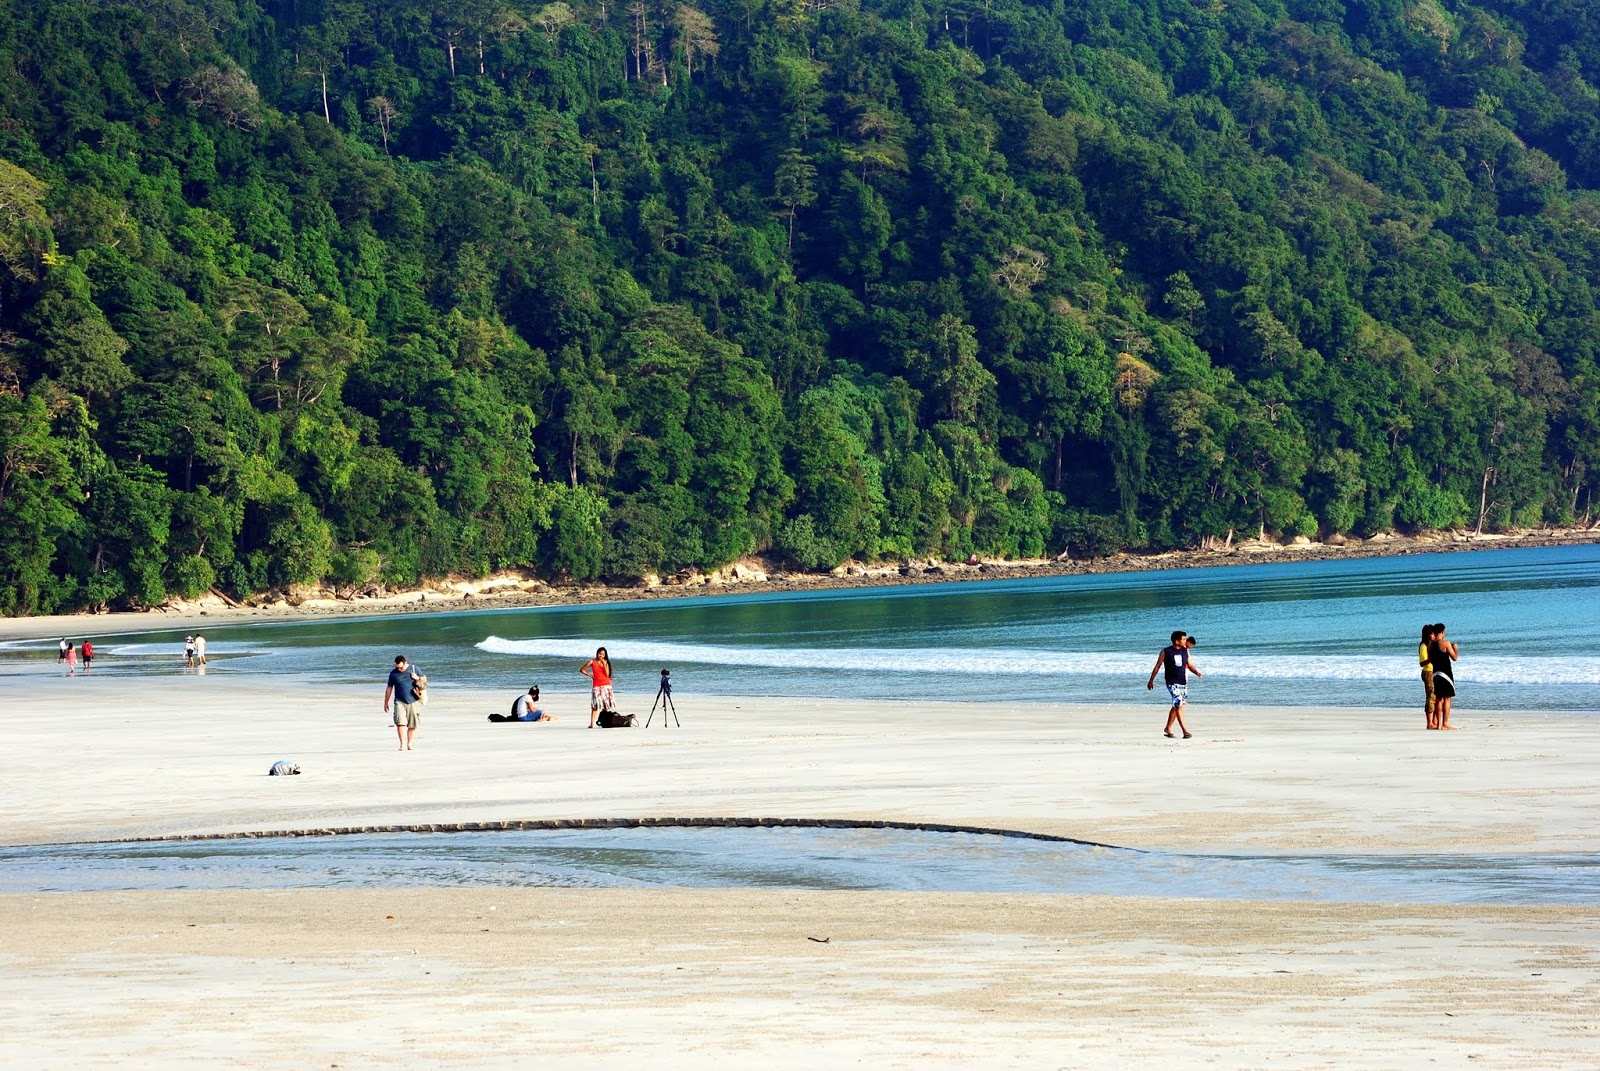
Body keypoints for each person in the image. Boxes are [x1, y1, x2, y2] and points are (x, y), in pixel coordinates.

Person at [1147, 629, 1203, 739]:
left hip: (1183, 682)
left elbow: (1190, 665)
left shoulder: (1185, 651)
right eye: (1183, 639)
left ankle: (1168, 728)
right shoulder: (1165, 651)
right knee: (1178, 704)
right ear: (1177, 641)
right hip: (1171, 682)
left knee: (1177, 705)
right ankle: (1185, 731)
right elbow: (1157, 666)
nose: (1185, 641)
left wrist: (1197, 673)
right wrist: (1151, 680)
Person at [384, 654, 425, 750]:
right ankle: (402, 744)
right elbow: (389, 688)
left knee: (412, 724)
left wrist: (417, 678)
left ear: (405, 662)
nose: (399, 669)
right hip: (399, 701)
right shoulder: (393, 674)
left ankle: (410, 744)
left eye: (401, 667)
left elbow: (424, 679)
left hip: (413, 700)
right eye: (397, 667)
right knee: (400, 723)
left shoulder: (414, 668)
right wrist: (386, 702)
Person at [1429, 623, 1459, 731]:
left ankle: (1438, 724)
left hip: (1435, 673)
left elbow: (1430, 659)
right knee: (1447, 699)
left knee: (1438, 699)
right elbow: (1454, 658)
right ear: (1442, 632)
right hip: (1446, 674)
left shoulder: (1430, 645)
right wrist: (1455, 648)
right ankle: (1445, 724)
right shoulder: (1445, 643)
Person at [581, 646, 614, 729]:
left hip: (606, 684)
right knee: (595, 705)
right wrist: (590, 675)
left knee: (605, 705)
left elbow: (607, 674)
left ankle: (604, 721)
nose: (601, 656)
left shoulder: (606, 662)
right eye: (600, 654)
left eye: (603, 654)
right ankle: (592, 723)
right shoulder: (592, 661)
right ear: (597, 653)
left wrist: (603, 663)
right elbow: (582, 669)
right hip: (596, 685)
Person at [1419, 624, 1439, 729]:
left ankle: (1434, 721)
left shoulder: (1433, 644)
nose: (1433, 636)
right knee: (1431, 696)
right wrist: (1431, 658)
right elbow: (1422, 663)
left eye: (1434, 633)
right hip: (1428, 672)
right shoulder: (1424, 646)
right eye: (1431, 634)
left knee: (1436, 696)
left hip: (1434, 671)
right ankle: (1429, 723)